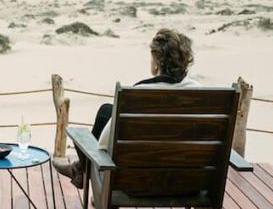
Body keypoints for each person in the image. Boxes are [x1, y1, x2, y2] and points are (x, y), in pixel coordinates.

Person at [56, 28, 199, 188]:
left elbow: (102, 144)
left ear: (157, 60)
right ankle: (79, 170)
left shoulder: (137, 94)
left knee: (107, 114)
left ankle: (81, 171)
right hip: (189, 182)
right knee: (107, 111)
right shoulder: (202, 94)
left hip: (136, 183)